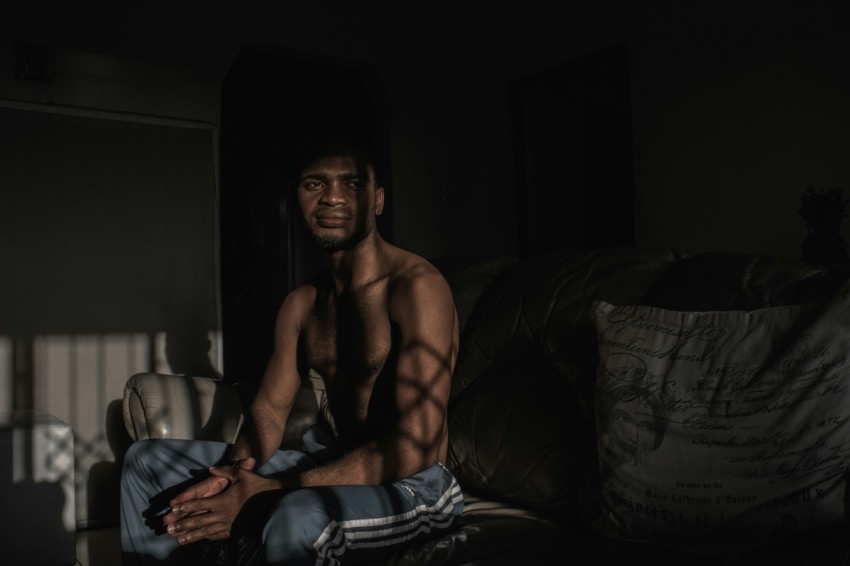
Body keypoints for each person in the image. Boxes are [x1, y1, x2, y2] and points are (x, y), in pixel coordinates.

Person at [121, 140, 463, 565]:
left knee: (296, 514)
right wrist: (237, 475)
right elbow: (268, 411)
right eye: (315, 183)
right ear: (298, 199)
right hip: (332, 460)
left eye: (352, 184)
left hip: (415, 485)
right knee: (146, 460)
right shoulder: (302, 303)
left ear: (377, 201)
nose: (333, 197)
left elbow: (418, 445)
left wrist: (272, 490)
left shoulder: (416, 288)